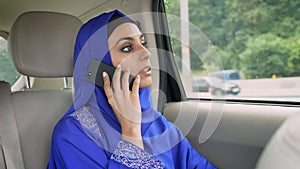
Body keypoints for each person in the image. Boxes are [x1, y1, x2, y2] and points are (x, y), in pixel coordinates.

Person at [47, 9, 217, 169]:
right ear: (98, 67)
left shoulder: (158, 124)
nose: (146, 53)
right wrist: (131, 132)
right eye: (127, 48)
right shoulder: (73, 135)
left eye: (143, 43)